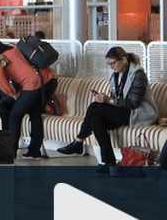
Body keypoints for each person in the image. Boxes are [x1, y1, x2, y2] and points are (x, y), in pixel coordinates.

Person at [57, 47, 158, 175]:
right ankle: (109, 162)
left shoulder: (138, 75)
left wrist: (109, 100)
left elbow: (133, 104)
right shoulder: (115, 75)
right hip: (123, 112)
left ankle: (79, 141)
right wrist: (107, 99)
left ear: (124, 59)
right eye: (109, 64)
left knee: (95, 107)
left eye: (113, 63)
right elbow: (116, 99)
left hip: (138, 114)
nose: (111, 67)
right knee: (96, 119)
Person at [0, 38, 47, 159]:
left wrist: (12, 94)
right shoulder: (13, 49)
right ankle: (34, 151)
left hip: (30, 86)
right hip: (40, 82)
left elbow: (0, 79)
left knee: (14, 115)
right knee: (35, 116)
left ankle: (10, 151)